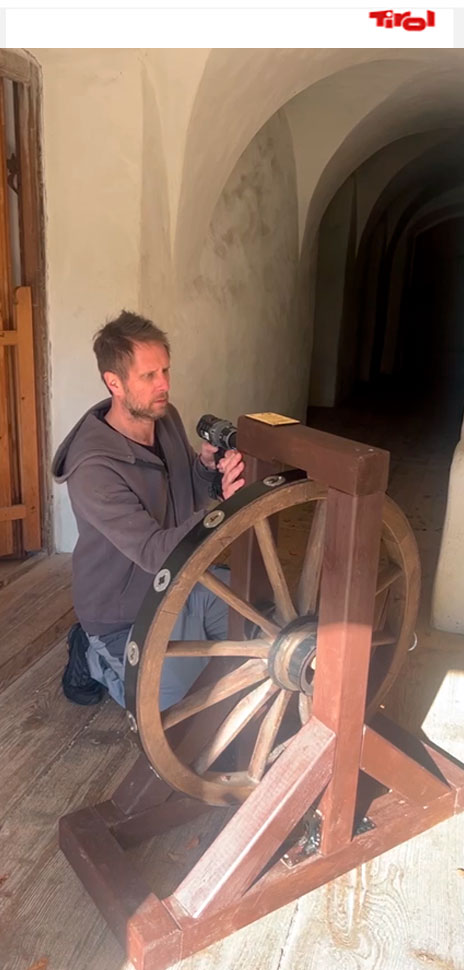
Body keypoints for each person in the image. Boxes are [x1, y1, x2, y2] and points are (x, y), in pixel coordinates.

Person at [52, 310, 245, 709]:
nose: (165, 385)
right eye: (149, 376)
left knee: (254, 632)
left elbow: (184, 490)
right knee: (175, 704)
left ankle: (186, 641)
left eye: (166, 371)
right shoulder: (92, 469)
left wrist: (206, 468)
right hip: (124, 613)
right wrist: (225, 506)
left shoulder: (165, 417)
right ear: (114, 383)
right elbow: (156, 551)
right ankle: (90, 653)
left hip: (181, 583)